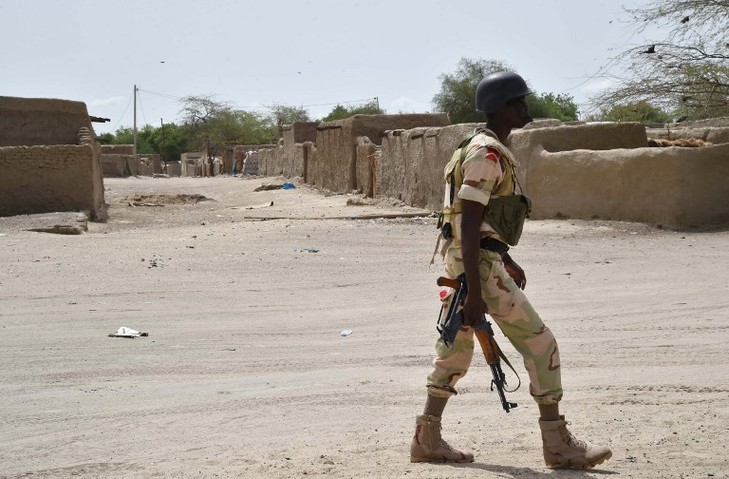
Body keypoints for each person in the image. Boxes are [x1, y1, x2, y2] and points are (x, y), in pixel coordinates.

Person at [410, 71, 612, 469]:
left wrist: (504, 255)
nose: (525, 108)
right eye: (519, 102)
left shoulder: (474, 146)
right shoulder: (487, 155)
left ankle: (426, 438)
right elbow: (469, 223)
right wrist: (478, 293)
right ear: (503, 106)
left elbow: (475, 224)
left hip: (467, 262)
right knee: (542, 344)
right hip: (477, 269)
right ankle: (558, 446)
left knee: (454, 351)